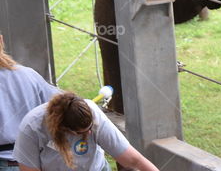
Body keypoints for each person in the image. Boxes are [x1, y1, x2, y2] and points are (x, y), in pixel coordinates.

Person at [14, 92, 159, 171]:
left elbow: (134, 160)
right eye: (80, 133)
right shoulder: (32, 128)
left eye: (90, 128)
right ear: (64, 129)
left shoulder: (94, 114)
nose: (89, 133)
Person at [0, 34, 58, 169]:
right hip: (35, 162)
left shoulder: (28, 75)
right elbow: (65, 105)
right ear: (1, 41)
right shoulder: (29, 75)